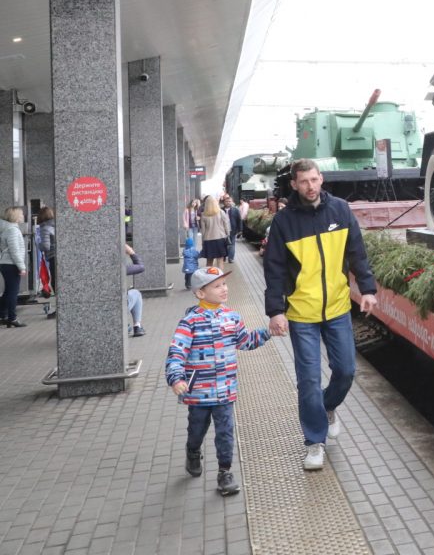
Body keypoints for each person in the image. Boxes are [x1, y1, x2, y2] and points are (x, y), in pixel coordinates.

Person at [263, 159, 378, 471]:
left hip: (338, 308)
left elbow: (357, 252)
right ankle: (315, 441)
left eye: (314, 180)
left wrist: (367, 289)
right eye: (304, 182)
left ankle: (328, 407)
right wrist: (275, 311)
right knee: (309, 380)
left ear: (321, 179)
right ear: (295, 185)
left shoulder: (340, 210)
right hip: (301, 313)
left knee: (346, 371)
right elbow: (273, 268)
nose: (310, 186)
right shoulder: (284, 222)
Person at [165, 266, 270, 496]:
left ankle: (225, 472)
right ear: (200, 293)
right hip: (199, 394)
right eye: (217, 285)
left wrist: (267, 332)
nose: (224, 289)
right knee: (197, 429)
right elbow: (176, 353)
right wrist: (176, 379)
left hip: (225, 391)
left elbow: (245, 341)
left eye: (224, 284)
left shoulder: (232, 317)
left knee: (225, 431)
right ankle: (193, 451)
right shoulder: (189, 322)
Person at [0, 206, 28, 328]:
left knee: (8, 292)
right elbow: (14, 251)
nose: (23, 216)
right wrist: (22, 267)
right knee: (13, 292)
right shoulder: (12, 230)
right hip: (11, 264)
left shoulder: (9, 229)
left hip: (7, 264)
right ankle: (12, 318)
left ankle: (3, 314)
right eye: (21, 214)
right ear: (15, 216)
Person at [199, 196, 229, 268]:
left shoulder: (203, 215)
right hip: (220, 239)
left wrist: (202, 242)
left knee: (209, 262)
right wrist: (227, 234)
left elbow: (203, 231)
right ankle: (220, 278)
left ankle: (210, 278)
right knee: (220, 261)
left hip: (208, 240)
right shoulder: (221, 212)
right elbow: (226, 225)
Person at [125, 243, 146, 337]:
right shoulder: (120, 267)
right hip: (120, 307)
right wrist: (131, 252)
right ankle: (137, 326)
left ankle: (126, 325)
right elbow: (141, 267)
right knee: (136, 293)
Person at [36, 207, 55, 292]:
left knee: (55, 280)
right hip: (59, 255)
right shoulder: (55, 225)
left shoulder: (45, 228)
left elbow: (46, 246)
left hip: (52, 256)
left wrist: (38, 245)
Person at [223, 197, 241, 264]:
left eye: (229, 201)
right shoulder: (220, 210)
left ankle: (231, 258)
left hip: (232, 230)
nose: (228, 202)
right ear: (224, 202)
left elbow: (239, 220)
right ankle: (224, 257)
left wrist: (240, 230)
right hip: (223, 230)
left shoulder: (235, 210)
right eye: (226, 201)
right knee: (223, 244)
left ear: (232, 202)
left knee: (232, 244)